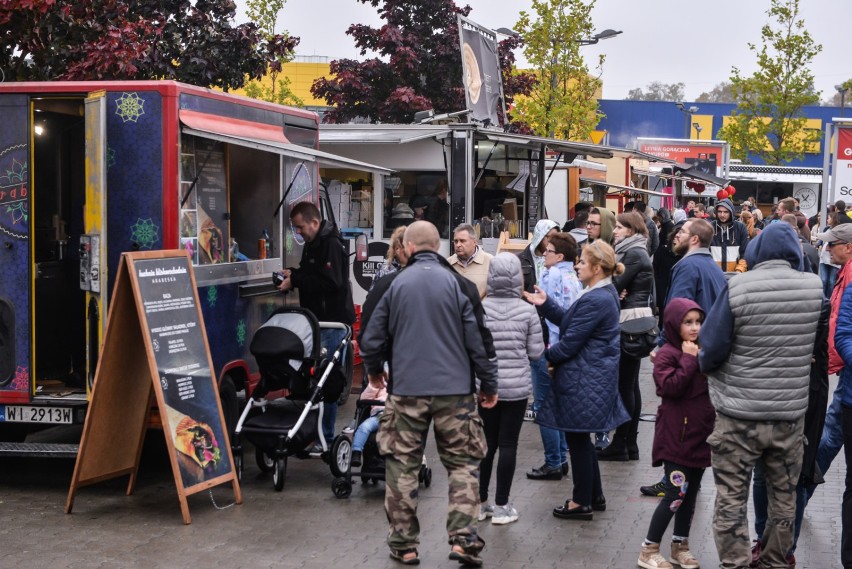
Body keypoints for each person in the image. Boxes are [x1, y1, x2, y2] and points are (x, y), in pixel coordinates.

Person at [358, 221, 498, 567]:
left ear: (406, 247)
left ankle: (404, 545)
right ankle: (464, 540)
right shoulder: (460, 284)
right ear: (438, 247)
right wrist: (489, 384)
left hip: (406, 390)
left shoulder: (393, 285)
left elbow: (370, 338)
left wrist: (375, 372)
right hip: (456, 392)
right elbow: (479, 340)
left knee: (402, 466)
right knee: (464, 465)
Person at [699, 222, 823, 569]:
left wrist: (714, 374)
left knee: (731, 498)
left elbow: (711, 349)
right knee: (784, 497)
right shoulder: (814, 289)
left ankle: (735, 562)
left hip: (738, 415)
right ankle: (774, 562)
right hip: (788, 417)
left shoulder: (738, 287)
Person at [523, 240, 629, 521]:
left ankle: (581, 501)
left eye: (582, 261)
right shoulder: (598, 293)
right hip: (589, 376)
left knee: (578, 438)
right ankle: (594, 494)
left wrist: (545, 358)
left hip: (585, 378)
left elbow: (570, 343)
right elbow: (572, 322)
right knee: (581, 437)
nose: (578, 265)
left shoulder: (597, 297)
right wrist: (546, 305)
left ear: (596, 267)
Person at [641, 219, 726, 498]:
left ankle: (674, 482)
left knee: (679, 421)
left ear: (695, 240)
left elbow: (676, 311)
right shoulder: (712, 267)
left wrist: (662, 347)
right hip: (704, 355)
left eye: (683, 232)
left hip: (686, 353)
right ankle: (684, 479)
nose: (676, 235)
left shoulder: (688, 266)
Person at [637, 298, 714, 569]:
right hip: (675, 437)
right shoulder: (669, 353)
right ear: (673, 324)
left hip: (699, 435)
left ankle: (680, 545)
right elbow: (669, 388)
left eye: (699, 322)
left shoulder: (701, 349)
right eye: (688, 322)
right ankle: (649, 548)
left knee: (690, 494)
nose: (695, 328)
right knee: (674, 493)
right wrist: (689, 360)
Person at [276, 201, 355, 450]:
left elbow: (332, 281)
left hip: (332, 322)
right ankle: (316, 433)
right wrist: (293, 274)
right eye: (296, 229)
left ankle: (326, 438)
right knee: (315, 379)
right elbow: (314, 274)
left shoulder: (330, 243)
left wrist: (297, 279)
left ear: (314, 222)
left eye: (300, 227)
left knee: (327, 380)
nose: (299, 232)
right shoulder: (313, 243)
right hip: (316, 320)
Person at [478, 253, 544, 525]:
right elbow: (536, 352)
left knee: (486, 444)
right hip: (516, 389)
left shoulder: (480, 309)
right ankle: (502, 505)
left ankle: (480, 504)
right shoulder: (527, 311)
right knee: (508, 445)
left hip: (485, 387)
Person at [598, 212, 653, 462]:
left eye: (620, 227)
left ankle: (622, 442)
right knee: (630, 384)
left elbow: (612, 285)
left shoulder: (633, 253)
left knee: (625, 384)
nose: (615, 231)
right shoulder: (633, 251)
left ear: (631, 230)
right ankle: (629, 443)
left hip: (629, 321)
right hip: (634, 318)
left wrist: (613, 284)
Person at [518, 219, 568, 481]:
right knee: (551, 401)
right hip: (538, 333)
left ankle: (554, 461)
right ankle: (560, 457)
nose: (550, 242)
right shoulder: (524, 260)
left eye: (555, 237)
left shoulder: (557, 270)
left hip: (547, 339)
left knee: (545, 403)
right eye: (548, 237)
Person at [447, 223, 493, 299]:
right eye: (456, 241)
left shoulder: (490, 262)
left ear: (474, 242)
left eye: (462, 241)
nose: (458, 245)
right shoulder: (448, 263)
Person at [350, 376, 387, 468]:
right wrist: (373, 387)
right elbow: (363, 399)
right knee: (364, 427)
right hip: (378, 415)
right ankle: (356, 452)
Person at [710, 198, 749, 273]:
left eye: (726, 212)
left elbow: (745, 253)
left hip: (736, 275)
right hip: (714, 274)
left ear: (731, 212)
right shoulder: (710, 227)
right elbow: (705, 253)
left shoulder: (740, 228)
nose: (722, 215)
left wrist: (739, 270)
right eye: (719, 212)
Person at [371, 225, 408, 291]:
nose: (399, 251)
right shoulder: (385, 269)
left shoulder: (416, 269)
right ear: (393, 249)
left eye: (403, 247)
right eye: (397, 248)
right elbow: (372, 294)